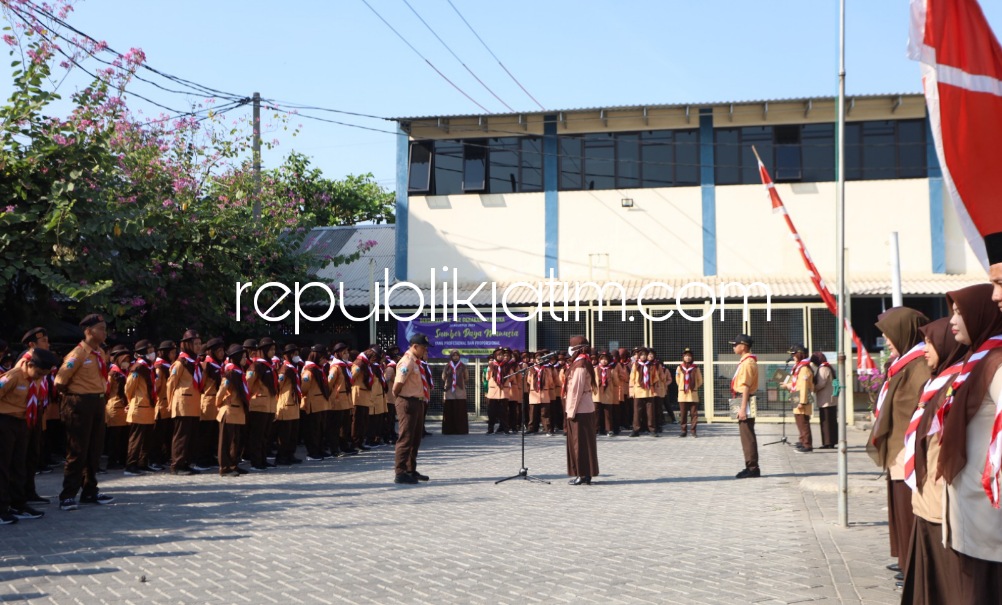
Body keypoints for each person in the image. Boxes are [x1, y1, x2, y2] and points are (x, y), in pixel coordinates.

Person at [937, 284, 1002, 603]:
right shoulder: (976, 361)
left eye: (959, 312)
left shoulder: (996, 364)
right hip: (968, 506)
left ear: (981, 316)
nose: (952, 321)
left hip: (988, 510)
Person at [899, 316, 967, 603]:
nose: (924, 348)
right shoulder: (936, 381)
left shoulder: (956, 383)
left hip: (941, 499)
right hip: (926, 496)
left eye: (930, 342)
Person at [866, 307, 931, 579]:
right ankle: (905, 557)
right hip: (898, 447)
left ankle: (912, 563)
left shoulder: (919, 365)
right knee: (899, 509)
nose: (887, 342)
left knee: (908, 509)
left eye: (890, 335)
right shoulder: (904, 363)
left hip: (908, 448)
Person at [54, 314, 115, 510]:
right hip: (80, 403)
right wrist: (74, 397)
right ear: (88, 331)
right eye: (101, 328)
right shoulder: (77, 354)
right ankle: (68, 494)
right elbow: (60, 381)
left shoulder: (100, 353)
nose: (105, 332)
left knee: (94, 450)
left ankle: (90, 491)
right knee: (77, 450)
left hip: (97, 402)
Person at [0, 348, 58, 523]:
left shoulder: (36, 380)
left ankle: (18, 503)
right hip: (5, 422)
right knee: (3, 466)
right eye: (39, 372)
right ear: (29, 364)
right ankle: (1, 508)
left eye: (44, 374)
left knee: (19, 465)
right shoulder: (12, 376)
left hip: (23, 422)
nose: (40, 376)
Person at [391, 334, 432, 485]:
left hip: (417, 402)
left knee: (415, 438)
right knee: (406, 438)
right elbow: (397, 384)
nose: (425, 350)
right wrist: (400, 399)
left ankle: (410, 470)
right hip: (408, 402)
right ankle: (400, 472)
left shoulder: (417, 362)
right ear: (415, 346)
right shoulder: (407, 361)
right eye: (423, 348)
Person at [168, 330, 204, 476]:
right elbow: (171, 384)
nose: (198, 346)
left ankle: (187, 462)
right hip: (182, 403)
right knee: (181, 436)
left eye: (199, 343)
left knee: (191, 436)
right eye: (195, 344)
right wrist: (170, 402)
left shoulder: (195, 362)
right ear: (187, 345)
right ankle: (177, 464)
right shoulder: (180, 363)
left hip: (194, 405)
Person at [564, 336, 599, 485]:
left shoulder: (580, 365)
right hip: (584, 407)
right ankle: (586, 473)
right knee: (585, 443)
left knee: (579, 444)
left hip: (579, 409)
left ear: (577, 349)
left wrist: (570, 412)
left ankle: (582, 474)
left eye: (571, 347)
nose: (569, 350)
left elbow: (575, 390)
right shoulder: (583, 362)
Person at [215, 344, 250, 477]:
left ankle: (234, 464)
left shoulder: (240, 372)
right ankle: (224, 467)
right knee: (225, 442)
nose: (245, 359)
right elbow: (221, 392)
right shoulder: (230, 374)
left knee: (236, 441)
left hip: (239, 412)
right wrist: (219, 404)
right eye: (243, 357)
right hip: (229, 411)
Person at [124, 340, 157, 476]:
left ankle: (142, 463)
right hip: (139, 407)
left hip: (149, 408)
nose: (152, 354)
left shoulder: (149, 368)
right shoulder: (137, 368)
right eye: (149, 351)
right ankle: (131, 465)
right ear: (143, 353)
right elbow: (128, 388)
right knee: (136, 439)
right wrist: (131, 401)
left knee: (146, 439)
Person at [731, 334, 760, 479]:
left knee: (747, 434)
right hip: (743, 399)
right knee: (746, 434)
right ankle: (751, 465)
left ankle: (752, 467)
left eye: (736, 344)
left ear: (743, 346)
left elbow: (746, 387)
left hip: (745, 399)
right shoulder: (745, 361)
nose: (734, 346)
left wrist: (742, 408)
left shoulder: (748, 363)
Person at [245, 339, 278, 470]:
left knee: (265, 435)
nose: (273, 352)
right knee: (257, 435)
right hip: (258, 405)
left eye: (273, 350)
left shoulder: (270, 365)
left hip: (269, 405)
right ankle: (256, 461)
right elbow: (248, 384)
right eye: (270, 350)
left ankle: (263, 459)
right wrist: (254, 396)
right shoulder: (256, 366)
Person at [195, 338, 226, 471]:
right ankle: (201, 459)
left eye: (222, 350)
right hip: (208, 400)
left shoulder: (220, 365)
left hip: (218, 402)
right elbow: (201, 384)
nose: (221, 353)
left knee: (214, 432)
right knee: (205, 433)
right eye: (218, 351)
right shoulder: (206, 365)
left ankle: (210, 456)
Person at [300, 345, 331, 461]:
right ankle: (312, 452)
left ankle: (320, 449)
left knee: (321, 429)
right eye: (323, 358)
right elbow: (304, 388)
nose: (325, 361)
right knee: (313, 430)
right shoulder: (309, 370)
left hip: (322, 404)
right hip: (313, 404)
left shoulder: (319, 369)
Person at [103, 345, 131, 470]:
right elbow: (107, 390)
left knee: (124, 436)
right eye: (124, 359)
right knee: (114, 437)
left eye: (127, 360)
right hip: (114, 407)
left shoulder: (125, 373)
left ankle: (122, 459)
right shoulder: (113, 373)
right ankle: (112, 461)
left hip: (124, 408)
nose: (126, 362)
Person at [327, 343, 357, 456]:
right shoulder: (335, 367)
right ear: (337, 354)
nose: (346, 355)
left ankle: (344, 446)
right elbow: (329, 383)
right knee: (336, 425)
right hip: (338, 399)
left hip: (346, 399)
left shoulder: (345, 366)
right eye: (344, 353)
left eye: (347, 352)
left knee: (346, 425)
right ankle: (335, 449)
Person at [274, 344, 302, 465]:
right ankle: (282, 456)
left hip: (294, 405)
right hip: (286, 404)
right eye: (295, 354)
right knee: (284, 434)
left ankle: (290, 454)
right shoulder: (284, 369)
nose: (297, 357)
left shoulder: (293, 369)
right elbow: (277, 386)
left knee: (293, 434)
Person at [150, 340, 176, 471]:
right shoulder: (159, 366)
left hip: (168, 404)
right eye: (171, 353)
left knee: (166, 434)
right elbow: (157, 385)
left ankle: (164, 458)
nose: (173, 355)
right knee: (158, 435)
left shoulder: (168, 365)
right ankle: (154, 459)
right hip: (160, 404)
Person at [787, 344, 814, 453]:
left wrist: (802, 402)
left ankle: (807, 445)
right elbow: (796, 384)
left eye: (794, 354)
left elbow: (803, 386)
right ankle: (802, 441)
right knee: (799, 421)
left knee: (803, 422)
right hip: (796, 395)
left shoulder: (804, 368)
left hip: (802, 397)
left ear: (799, 354)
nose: (792, 356)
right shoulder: (799, 367)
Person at [630, 348, 659, 438]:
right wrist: (631, 391)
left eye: (645, 355)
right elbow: (632, 378)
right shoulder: (635, 365)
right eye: (641, 355)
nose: (643, 356)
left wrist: (653, 388)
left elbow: (655, 378)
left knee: (650, 412)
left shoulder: (651, 365)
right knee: (637, 412)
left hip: (649, 391)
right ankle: (636, 429)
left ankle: (652, 429)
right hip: (638, 390)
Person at [811, 353, 836, 449]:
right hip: (830, 399)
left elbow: (821, 383)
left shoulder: (823, 368)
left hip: (826, 400)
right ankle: (831, 442)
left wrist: (813, 388)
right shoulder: (828, 367)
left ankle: (827, 442)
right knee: (831, 421)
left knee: (826, 422)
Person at [441, 350, 469, 435]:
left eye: (457, 356)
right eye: (454, 356)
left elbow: (466, 377)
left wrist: (459, 382)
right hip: (449, 391)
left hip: (460, 391)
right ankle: (449, 430)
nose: (455, 357)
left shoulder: (463, 366)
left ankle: (461, 430)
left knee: (460, 411)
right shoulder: (447, 366)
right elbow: (443, 377)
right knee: (449, 411)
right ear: (451, 357)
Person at [676, 348, 702, 438]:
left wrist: (693, 387)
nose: (688, 358)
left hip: (693, 394)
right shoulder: (679, 367)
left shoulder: (695, 368)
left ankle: (693, 431)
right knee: (683, 414)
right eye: (686, 356)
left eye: (689, 356)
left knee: (694, 414)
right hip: (683, 394)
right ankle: (683, 431)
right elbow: (677, 380)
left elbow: (700, 380)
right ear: (683, 357)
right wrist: (683, 386)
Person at [594, 351, 619, 437]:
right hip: (597, 394)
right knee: (596, 413)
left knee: (607, 413)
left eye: (606, 359)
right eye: (602, 359)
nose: (604, 361)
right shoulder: (595, 369)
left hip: (608, 394)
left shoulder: (611, 370)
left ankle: (609, 429)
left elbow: (616, 382)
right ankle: (596, 429)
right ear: (599, 360)